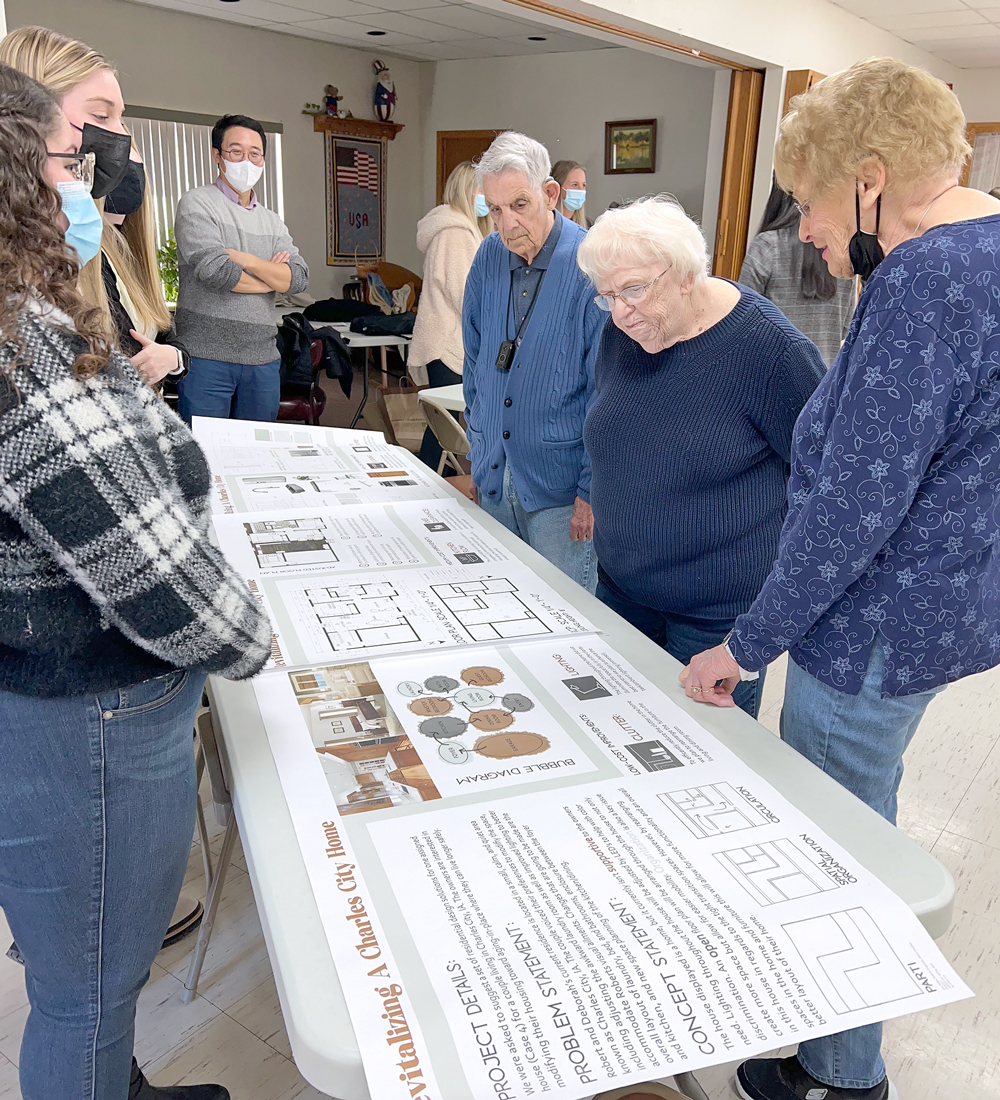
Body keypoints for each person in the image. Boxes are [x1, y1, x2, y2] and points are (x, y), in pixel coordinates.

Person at [681, 57, 1000, 1100]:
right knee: (863, 821)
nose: (808, 231)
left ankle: (842, 1075)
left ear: (869, 176)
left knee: (838, 851)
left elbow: (851, 510)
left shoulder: (925, 281)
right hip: (946, 611)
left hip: (864, 633)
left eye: (812, 204)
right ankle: (826, 1048)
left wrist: (747, 641)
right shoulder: (989, 246)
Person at [0, 65, 271, 1100]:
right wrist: (258, 640)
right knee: (90, 990)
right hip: (88, 720)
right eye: (72, 157)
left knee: (77, 975)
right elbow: (159, 580)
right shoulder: (25, 343)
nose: (89, 183)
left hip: (40, 693)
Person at [577, 196, 824, 717]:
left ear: (687, 273)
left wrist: (766, 627)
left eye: (635, 289)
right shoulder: (625, 332)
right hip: (621, 592)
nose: (621, 310)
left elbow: (826, 484)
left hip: (715, 621)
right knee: (609, 730)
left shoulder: (770, 352)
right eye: (607, 296)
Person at [0, 25, 188, 390]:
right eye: (102, 118)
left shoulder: (100, 244)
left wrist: (174, 359)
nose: (120, 136)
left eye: (120, 118)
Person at [463, 131, 604, 592]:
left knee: (565, 616)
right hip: (495, 476)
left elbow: (604, 394)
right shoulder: (488, 257)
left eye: (519, 205)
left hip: (560, 490)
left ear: (550, 194)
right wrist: (478, 456)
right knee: (500, 605)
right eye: (494, 209)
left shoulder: (590, 264)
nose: (506, 224)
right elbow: (475, 362)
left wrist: (589, 490)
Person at [174, 113, 309, 423]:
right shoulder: (196, 204)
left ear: (263, 160)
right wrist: (273, 279)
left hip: (262, 359)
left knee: (258, 458)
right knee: (206, 459)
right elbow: (218, 272)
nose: (246, 161)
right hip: (206, 357)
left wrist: (246, 260)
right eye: (236, 152)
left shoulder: (272, 221)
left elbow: (299, 278)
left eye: (254, 153)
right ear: (217, 156)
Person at [409, 161, 487, 470]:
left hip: (446, 341)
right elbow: (465, 294)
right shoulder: (455, 233)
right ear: (466, 191)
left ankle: (434, 480)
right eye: (480, 190)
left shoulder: (461, 231)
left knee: (443, 425)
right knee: (444, 426)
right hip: (447, 344)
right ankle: (428, 482)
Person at [739, 175, 855, 365]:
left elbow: (742, 319)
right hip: (824, 378)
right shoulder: (840, 251)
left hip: (775, 374)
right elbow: (845, 326)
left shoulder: (767, 246)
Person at [553, 158, 589, 227]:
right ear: (557, 188)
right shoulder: (545, 225)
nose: (581, 190)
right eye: (575, 185)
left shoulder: (588, 226)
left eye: (583, 185)